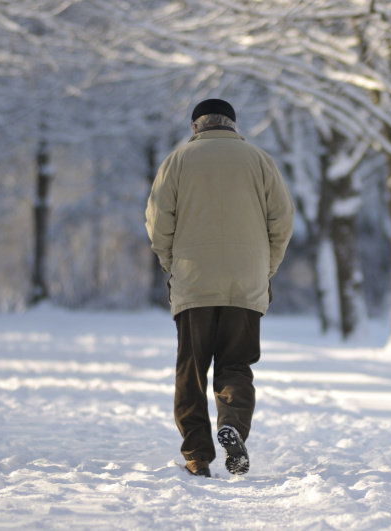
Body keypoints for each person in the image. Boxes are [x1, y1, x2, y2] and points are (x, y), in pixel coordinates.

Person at [145, 98, 294, 477]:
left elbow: (158, 223)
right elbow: (282, 221)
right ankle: (232, 425)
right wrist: (265, 269)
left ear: (196, 127)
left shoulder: (177, 161)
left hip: (194, 282)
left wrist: (172, 266)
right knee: (236, 365)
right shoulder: (260, 161)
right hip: (246, 284)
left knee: (191, 371)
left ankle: (197, 455)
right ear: (232, 124)